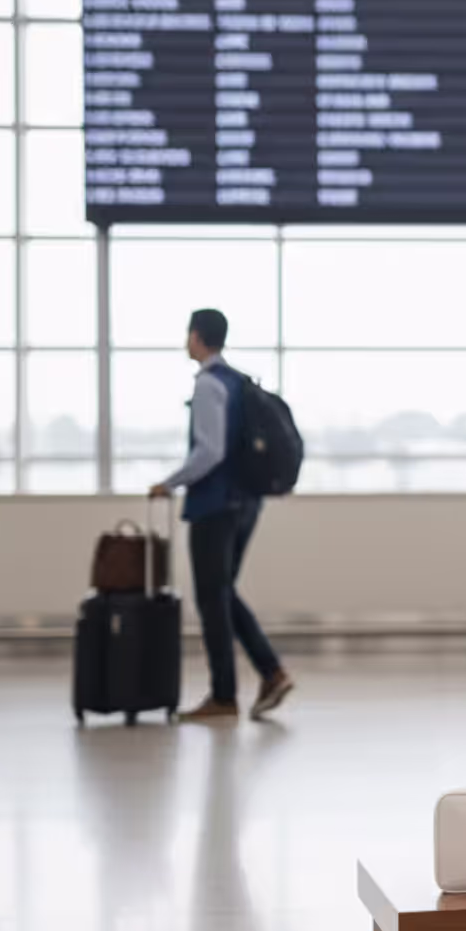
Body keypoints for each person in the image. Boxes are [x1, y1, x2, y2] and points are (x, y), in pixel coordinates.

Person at [150, 309, 294, 722]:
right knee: (223, 592)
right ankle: (271, 673)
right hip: (246, 502)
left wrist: (170, 483)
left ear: (197, 336)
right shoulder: (239, 382)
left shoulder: (210, 385)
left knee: (213, 598)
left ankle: (225, 695)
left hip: (217, 505)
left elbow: (210, 450)